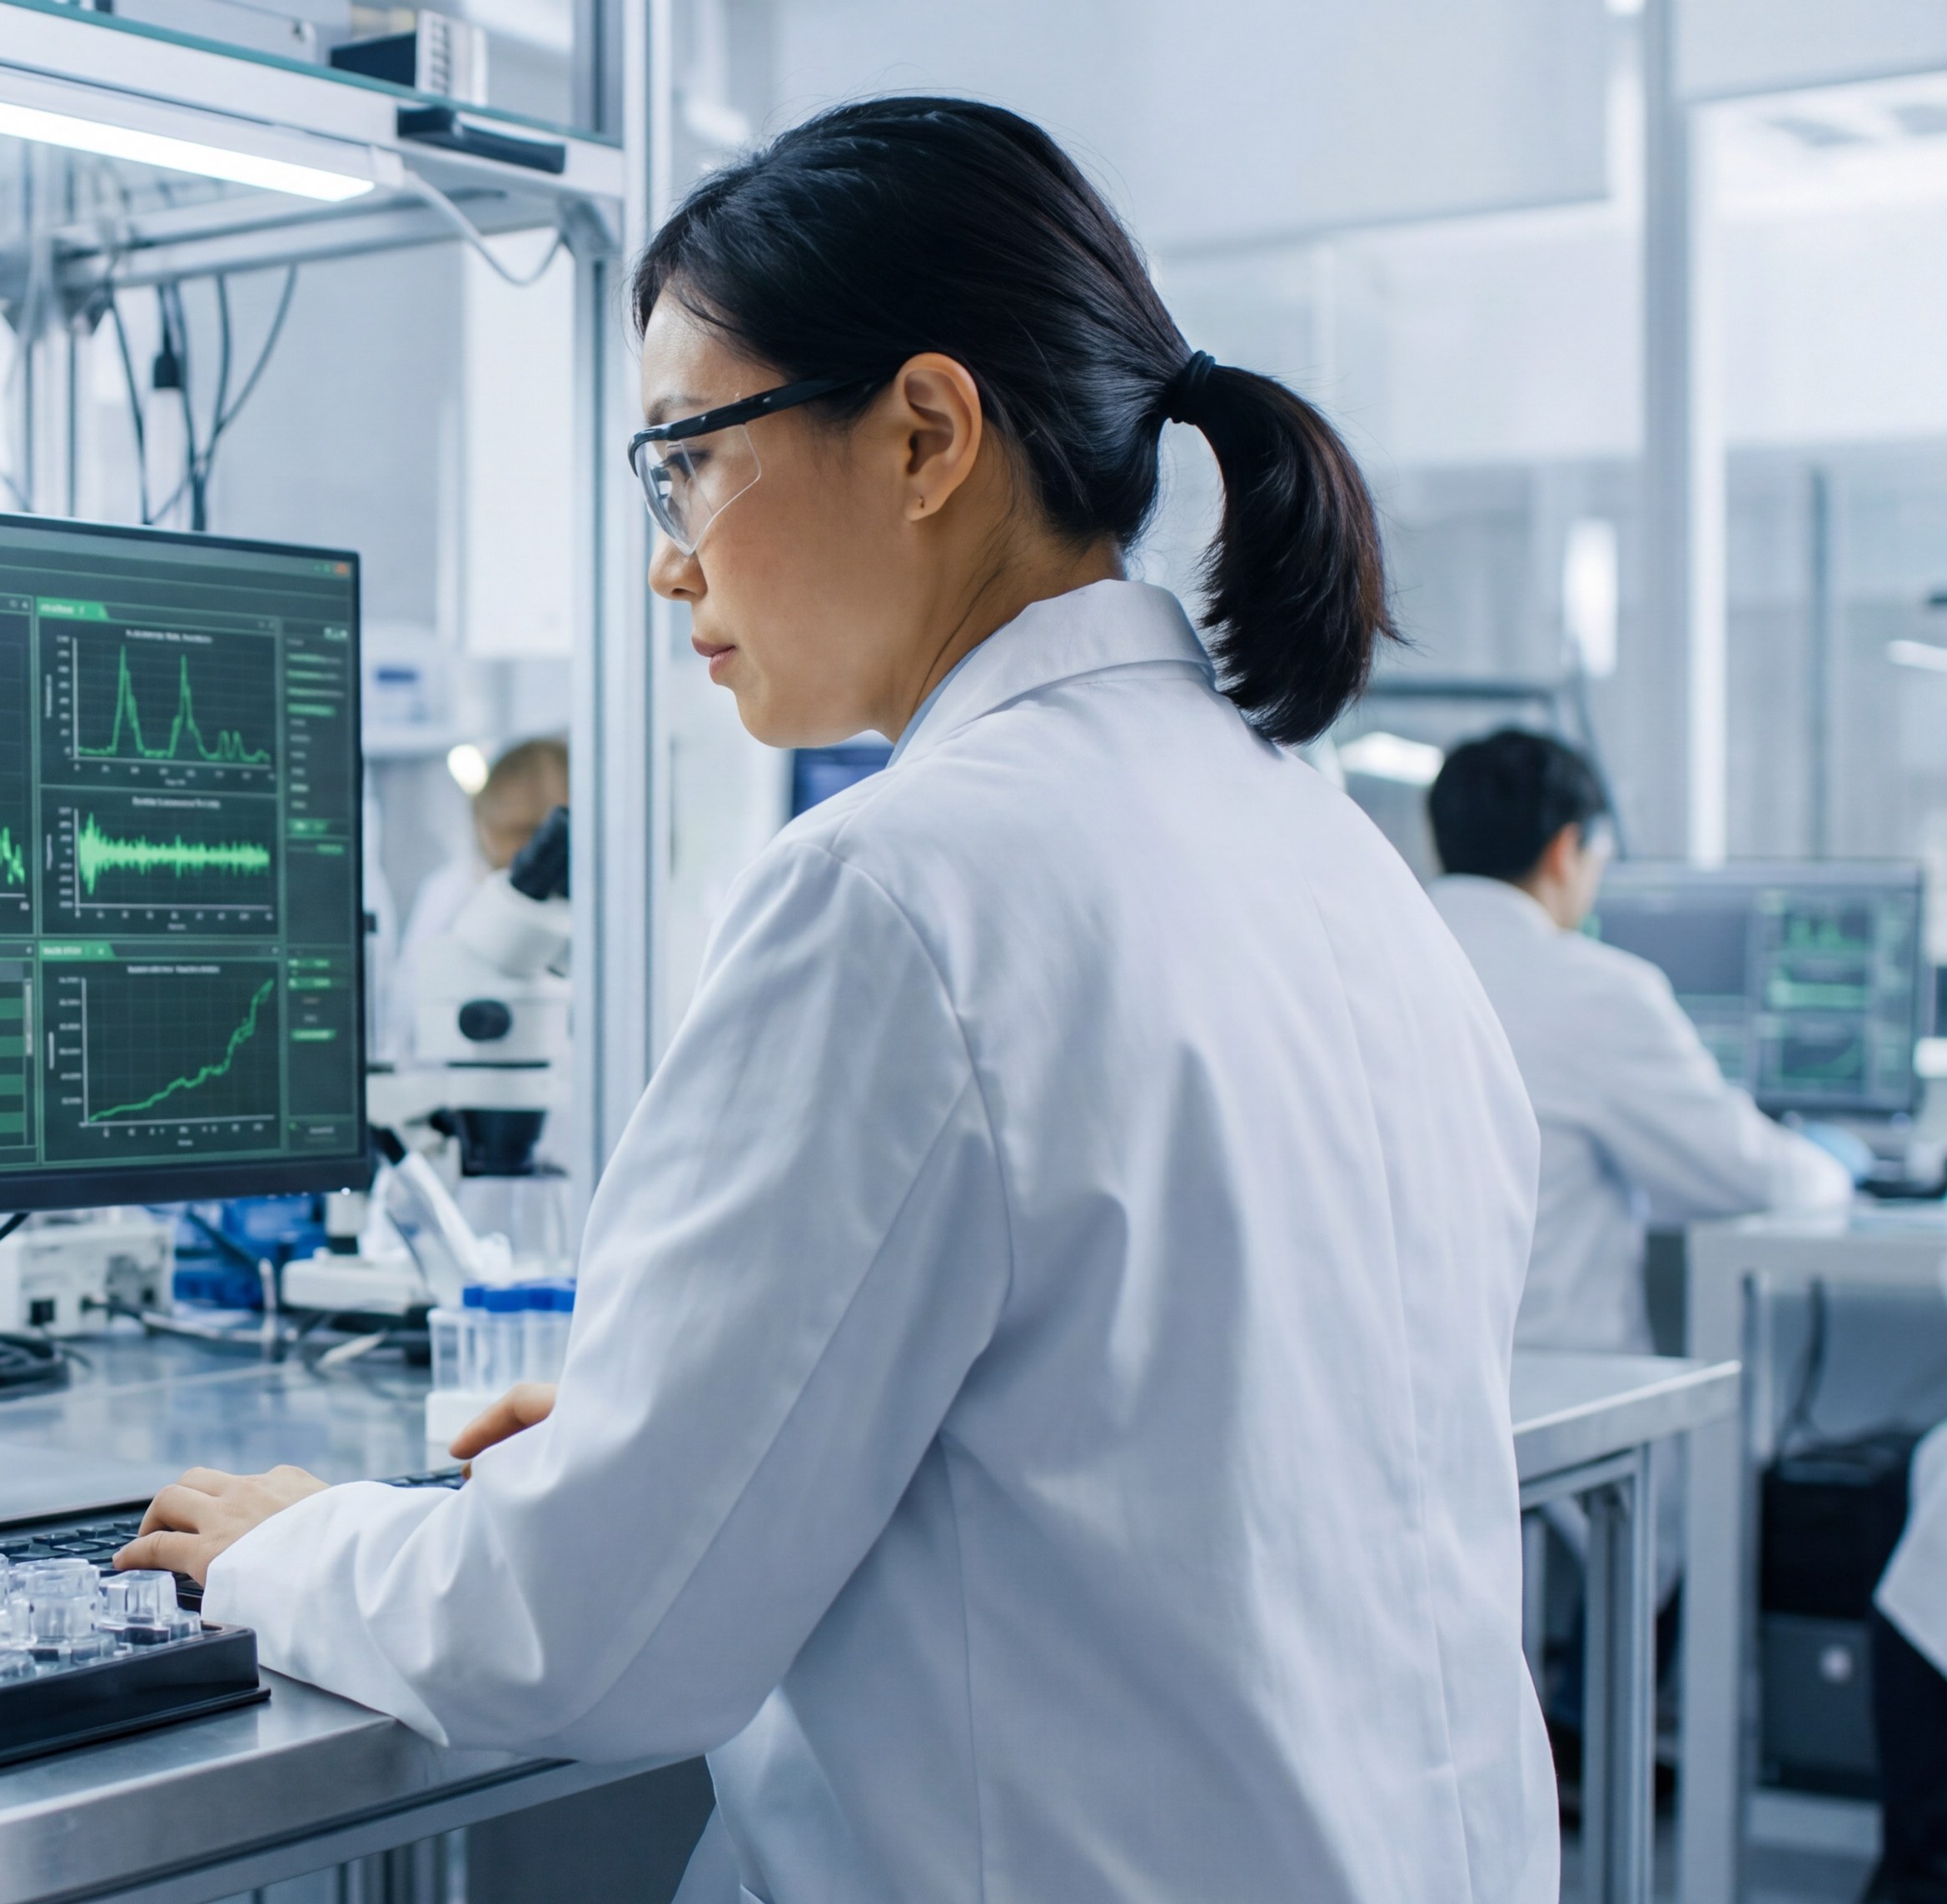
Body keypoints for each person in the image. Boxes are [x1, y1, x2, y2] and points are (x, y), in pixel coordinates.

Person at [121, 97, 1557, 1898]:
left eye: (683, 458)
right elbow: (1173, 1442)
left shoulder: (901, 887)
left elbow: (582, 1647)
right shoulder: (1330, 855)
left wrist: (292, 1544)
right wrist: (714, 1430)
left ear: (925, 434)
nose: (666, 560)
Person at [1423, 729, 1853, 1355]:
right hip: (1558, 1394)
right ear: (1567, 850)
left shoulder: (1368, 962)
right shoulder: (1591, 989)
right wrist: (1834, 1169)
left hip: (1395, 1394)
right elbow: (1747, 1177)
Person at [381, 736, 568, 1060]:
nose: (531, 847)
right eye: (517, 831)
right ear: (483, 825)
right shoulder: (450, 895)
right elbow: (406, 1023)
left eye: (543, 831)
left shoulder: (604, 905)